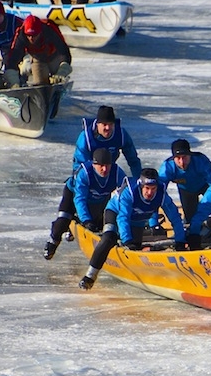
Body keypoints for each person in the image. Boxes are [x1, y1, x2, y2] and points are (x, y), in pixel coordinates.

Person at [43, 105, 142, 260]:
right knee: (64, 220)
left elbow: (133, 160)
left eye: (110, 124)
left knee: (104, 215)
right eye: (104, 125)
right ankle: (53, 241)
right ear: (97, 124)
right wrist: (86, 182)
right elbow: (79, 168)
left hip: (105, 179)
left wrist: (139, 186)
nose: (108, 128)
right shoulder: (86, 138)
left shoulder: (121, 136)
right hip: (85, 181)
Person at [78, 169, 186, 290]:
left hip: (138, 221)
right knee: (108, 239)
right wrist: (127, 240)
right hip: (115, 212)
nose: (150, 192)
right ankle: (90, 276)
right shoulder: (129, 192)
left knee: (136, 248)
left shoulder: (162, 195)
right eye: (147, 188)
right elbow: (123, 218)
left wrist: (180, 241)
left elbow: (175, 218)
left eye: (153, 188)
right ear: (141, 186)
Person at [157, 139, 211, 226]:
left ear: (190, 155)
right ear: (173, 158)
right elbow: (157, 193)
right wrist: (154, 223)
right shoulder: (167, 167)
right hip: (186, 191)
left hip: (206, 187)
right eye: (178, 158)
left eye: (184, 157)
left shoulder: (201, 160)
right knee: (190, 220)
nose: (182, 162)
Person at [5, 14, 72, 88]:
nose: (31, 38)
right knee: (40, 85)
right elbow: (13, 58)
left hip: (55, 57)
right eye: (28, 35)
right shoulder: (21, 34)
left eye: (34, 35)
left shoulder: (49, 29)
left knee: (58, 79)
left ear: (40, 32)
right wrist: (14, 82)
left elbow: (64, 52)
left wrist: (61, 72)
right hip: (38, 59)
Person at [70, 147, 128, 233]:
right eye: (101, 165)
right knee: (63, 218)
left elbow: (127, 194)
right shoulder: (84, 174)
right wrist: (86, 220)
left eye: (107, 165)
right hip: (76, 194)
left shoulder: (117, 172)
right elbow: (80, 198)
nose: (105, 169)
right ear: (94, 165)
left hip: (101, 199)